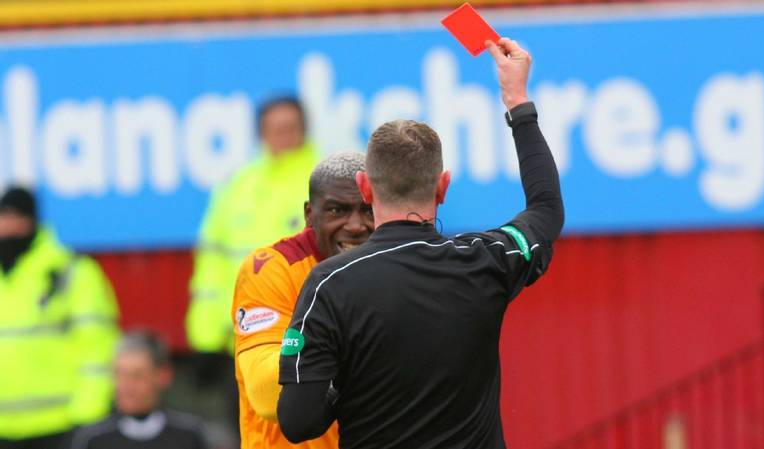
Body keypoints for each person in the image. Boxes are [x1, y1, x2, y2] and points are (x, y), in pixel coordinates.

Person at [277, 38, 564, 449]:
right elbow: (547, 208)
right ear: (443, 187)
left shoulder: (328, 284)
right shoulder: (487, 260)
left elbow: (299, 421)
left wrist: (345, 377)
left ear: (365, 188)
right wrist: (517, 100)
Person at [232, 152, 374, 449]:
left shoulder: (394, 266)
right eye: (338, 211)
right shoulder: (272, 268)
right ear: (310, 214)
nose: (357, 225)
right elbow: (268, 396)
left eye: (368, 210)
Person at [187, 96, 318, 355]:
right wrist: (205, 323)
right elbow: (212, 255)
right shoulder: (239, 185)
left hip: (304, 331)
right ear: (262, 134)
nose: (283, 136)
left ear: (304, 129)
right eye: (275, 129)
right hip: (240, 335)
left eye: (290, 127)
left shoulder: (322, 178)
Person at [0, 186, 120, 449]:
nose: (8, 227)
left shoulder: (70, 272)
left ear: (32, 220)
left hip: (60, 424)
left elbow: (98, 349)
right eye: (3, 218)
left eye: (15, 217)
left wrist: (90, 413)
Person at [70, 331, 209, 449]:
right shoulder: (93, 439)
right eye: (119, 375)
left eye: (137, 376)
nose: (126, 386)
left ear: (163, 376)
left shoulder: (188, 435)